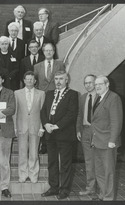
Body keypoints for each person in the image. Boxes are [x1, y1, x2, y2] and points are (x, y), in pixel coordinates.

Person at [40, 71, 78, 199]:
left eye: (61, 79)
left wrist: (56, 126)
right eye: (56, 79)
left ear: (67, 80)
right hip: (50, 134)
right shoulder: (49, 94)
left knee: (65, 164)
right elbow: (43, 111)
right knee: (52, 162)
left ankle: (64, 189)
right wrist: (45, 124)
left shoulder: (72, 94)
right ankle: (54, 187)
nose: (58, 81)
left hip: (64, 134)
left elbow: (71, 114)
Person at [91, 75, 123, 201]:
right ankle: (103, 194)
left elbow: (116, 121)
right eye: (96, 84)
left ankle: (109, 197)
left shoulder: (114, 98)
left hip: (108, 142)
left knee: (108, 172)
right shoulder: (98, 98)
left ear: (107, 85)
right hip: (97, 141)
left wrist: (112, 141)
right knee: (99, 171)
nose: (97, 86)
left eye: (100, 84)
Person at [14, 71, 45, 183]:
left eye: (31, 79)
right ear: (24, 80)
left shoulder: (41, 94)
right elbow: (15, 111)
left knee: (34, 152)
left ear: (35, 81)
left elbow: (43, 112)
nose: (29, 81)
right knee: (22, 152)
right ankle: (22, 174)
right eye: (27, 79)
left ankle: (33, 174)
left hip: (35, 126)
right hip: (21, 125)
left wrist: (42, 127)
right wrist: (15, 127)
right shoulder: (17, 93)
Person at [34, 43, 65, 154]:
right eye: (46, 50)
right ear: (43, 52)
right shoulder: (37, 66)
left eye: (51, 50)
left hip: (55, 95)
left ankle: (53, 141)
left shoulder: (60, 64)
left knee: (54, 117)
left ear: (53, 52)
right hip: (42, 96)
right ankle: (44, 144)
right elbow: (35, 82)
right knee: (43, 118)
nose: (48, 52)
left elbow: (63, 78)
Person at [76, 74, 97, 196]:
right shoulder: (83, 97)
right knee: (88, 161)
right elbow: (79, 115)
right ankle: (90, 188)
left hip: (97, 132)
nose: (88, 85)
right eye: (86, 83)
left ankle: (102, 187)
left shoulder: (100, 97)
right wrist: (78, 130)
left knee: (99, 161)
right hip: (85, 131)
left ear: (95, 83)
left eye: (90, 82)